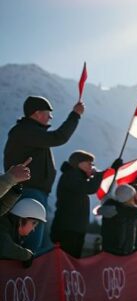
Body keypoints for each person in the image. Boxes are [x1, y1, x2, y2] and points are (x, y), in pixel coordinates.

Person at [4, 95, 84, 254]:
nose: (50, 117)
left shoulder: (31, 133)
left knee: (40, 245)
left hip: (33, 192)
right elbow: (58, 137)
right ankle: (22, 276)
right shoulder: (25, 131)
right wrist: (75, 115)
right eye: (49, 113)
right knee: (30, 245)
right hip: (29, 192)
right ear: (37, 113)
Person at [51, 151, 121, 258]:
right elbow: (89, 188)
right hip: (67, 229)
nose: (92, 166)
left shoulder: (78, 177)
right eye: (89, 163)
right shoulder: (70, 176)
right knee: (65, 260)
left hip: (75, 228)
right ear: (79, 163)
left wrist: (111, 170)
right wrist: (102, 173)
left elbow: (89, 185)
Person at [99, 184, 137, 255]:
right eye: (132, 197)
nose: (133, 199)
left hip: (112, 248)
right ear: (127, 198)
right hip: (120, 249)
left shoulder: (115, 208)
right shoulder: (122, 210)